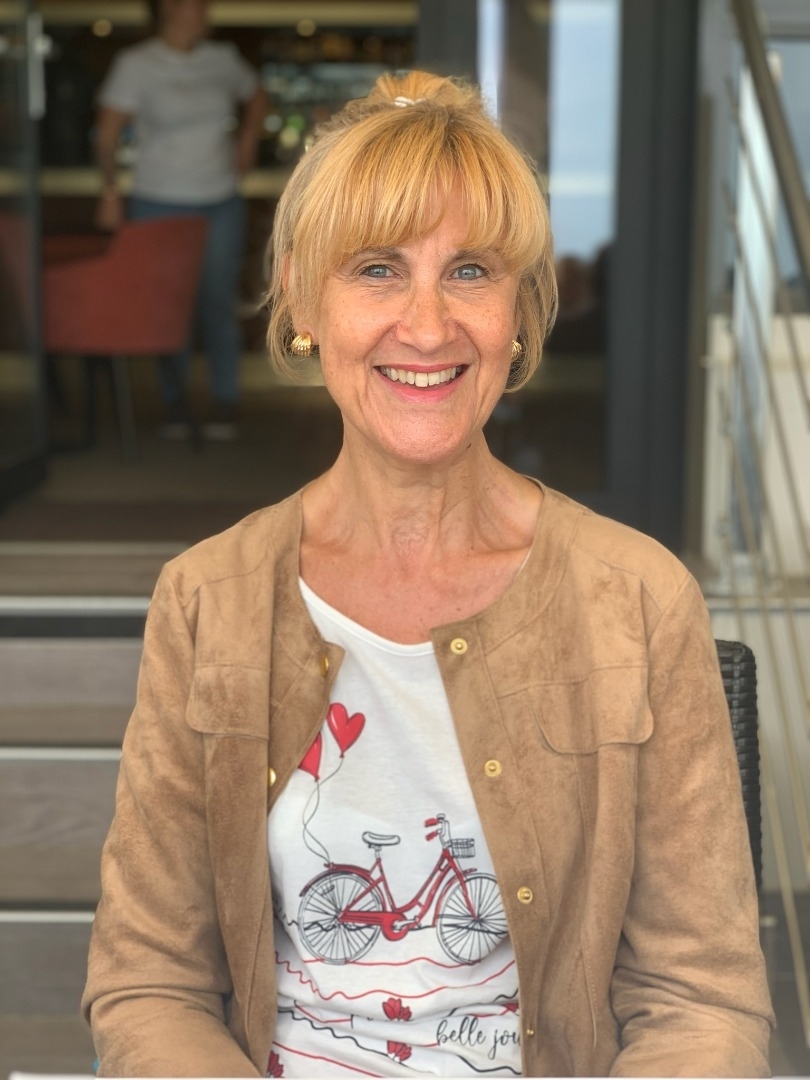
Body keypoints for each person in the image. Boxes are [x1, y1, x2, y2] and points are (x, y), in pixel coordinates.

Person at [82, 71, 774, 1078]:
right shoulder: (207, 601)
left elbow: (699, 1000)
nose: (427, 324)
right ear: (303, 300)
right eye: (377, 269)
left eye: (470, 272)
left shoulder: (637, 598)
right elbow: (151, 983)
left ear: (520, 313)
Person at [94, 0, 267, 440]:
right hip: (157, 202)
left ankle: (225, 401)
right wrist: (110, 192)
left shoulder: (223, 59)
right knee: (169, 305)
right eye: (194, 3)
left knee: (219, 303)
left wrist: (247, 141)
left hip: (220, 200)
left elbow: (256, 96)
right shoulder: (136, 63)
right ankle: (175, 404)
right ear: (168, 8)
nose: (203, 10)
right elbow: (107, 135)